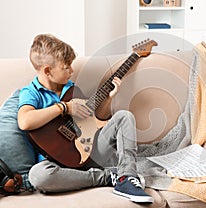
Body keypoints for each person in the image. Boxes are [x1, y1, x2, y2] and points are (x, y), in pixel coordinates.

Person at [17, 34, 153, 203]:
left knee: (124, 116)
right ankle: (108, 177)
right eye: (66, 67)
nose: (72, 71)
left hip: (90, 153)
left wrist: (109, 98)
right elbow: (24, 121)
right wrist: (65, 107)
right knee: (38, 176)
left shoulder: (72, 89)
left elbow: (95, 120)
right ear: (47, 71)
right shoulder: (31, 92)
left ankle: (127, 177)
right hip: (57, 164)